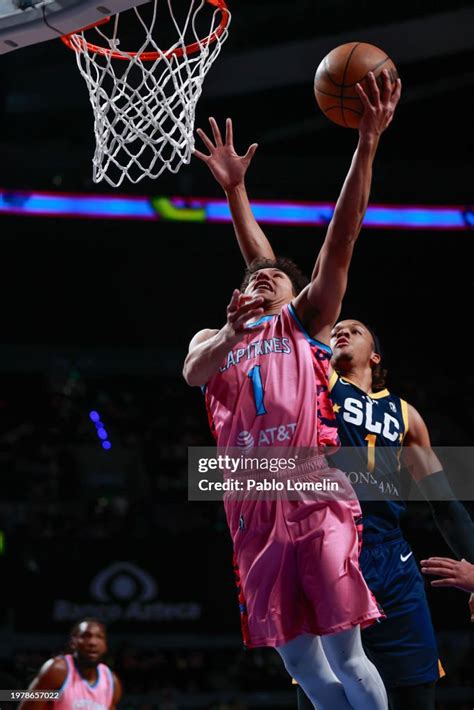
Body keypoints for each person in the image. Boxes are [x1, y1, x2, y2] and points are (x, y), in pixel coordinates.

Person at [193, 103, 474, 709]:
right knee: (314, 677)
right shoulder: (290, 351)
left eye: (355, 327)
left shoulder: (397, 409)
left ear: (378, 355)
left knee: (399, 683)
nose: (341, 329)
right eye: (335, 326)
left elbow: (446, 500)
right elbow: (267, 271)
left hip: (376, 545)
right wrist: (238, 194)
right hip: (284, 510)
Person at [186, 71, 401, 709]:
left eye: (275, 278)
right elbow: (195, 372)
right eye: (254, 278)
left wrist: (366, 143)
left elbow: (343, 236)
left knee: (346, 653)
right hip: (249, 500)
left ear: (295, 293)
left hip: (312, 487)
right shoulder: (216, 337)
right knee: (303, 666)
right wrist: (235, 191)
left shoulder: (303, 323)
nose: (260, 279)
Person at [18, 618, 122, 710]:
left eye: (99, 637)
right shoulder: (57, 671)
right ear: (73, 643)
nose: (92, 643)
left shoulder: (112, 682)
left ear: (105, 646)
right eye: (86, 636)